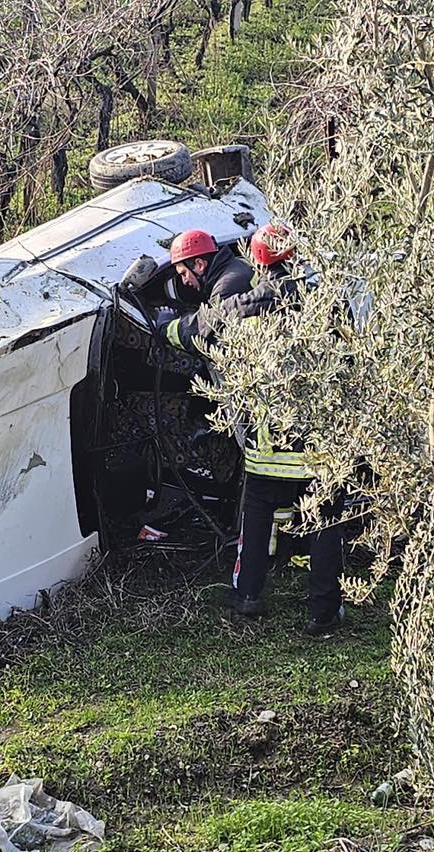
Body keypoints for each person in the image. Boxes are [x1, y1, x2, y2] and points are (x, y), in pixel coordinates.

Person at [155, 225, 345, 636]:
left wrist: (165, 327)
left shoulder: (244, 304)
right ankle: (322, 613)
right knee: (326, 521)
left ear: (256, 261)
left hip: (267, 444)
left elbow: (198, 330)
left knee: (256, 515)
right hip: (317, 443)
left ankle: (247, 594)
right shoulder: (326, 304)